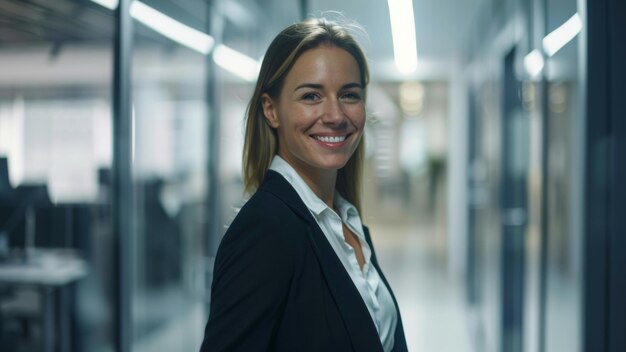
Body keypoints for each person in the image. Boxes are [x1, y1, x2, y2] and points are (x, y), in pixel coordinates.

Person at [200, 18, 407, 352]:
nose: (335, 115)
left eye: (349, 95)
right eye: (311, 95)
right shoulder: (265, 230)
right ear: (271, 110)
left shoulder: (345, 220)